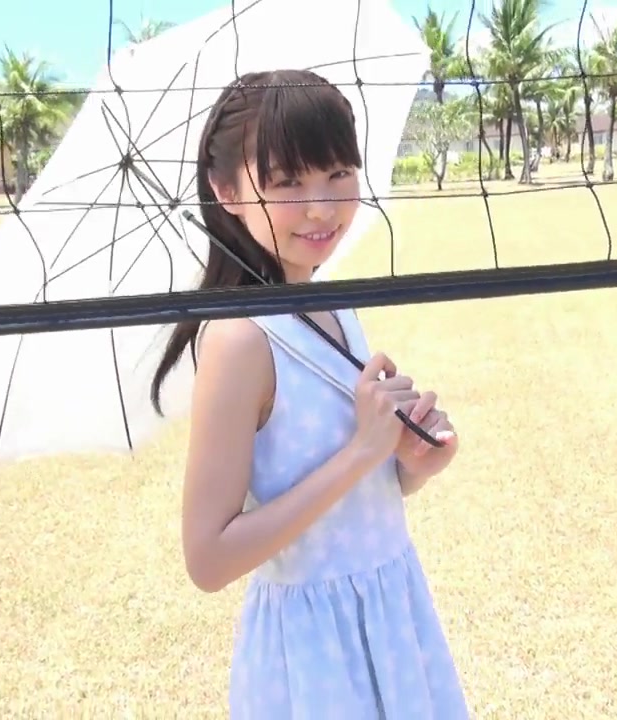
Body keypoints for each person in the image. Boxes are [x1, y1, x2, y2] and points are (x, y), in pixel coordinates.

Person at [149, 69, 470, 718]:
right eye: (287, 182)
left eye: (337, 173)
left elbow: (355, 492)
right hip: (315, 651)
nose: (321, 207)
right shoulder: (240, 340)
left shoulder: (331, 300)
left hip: (392, 612)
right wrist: (362, 452)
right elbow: (207, 559)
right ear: (227, 191)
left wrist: (408, 465)